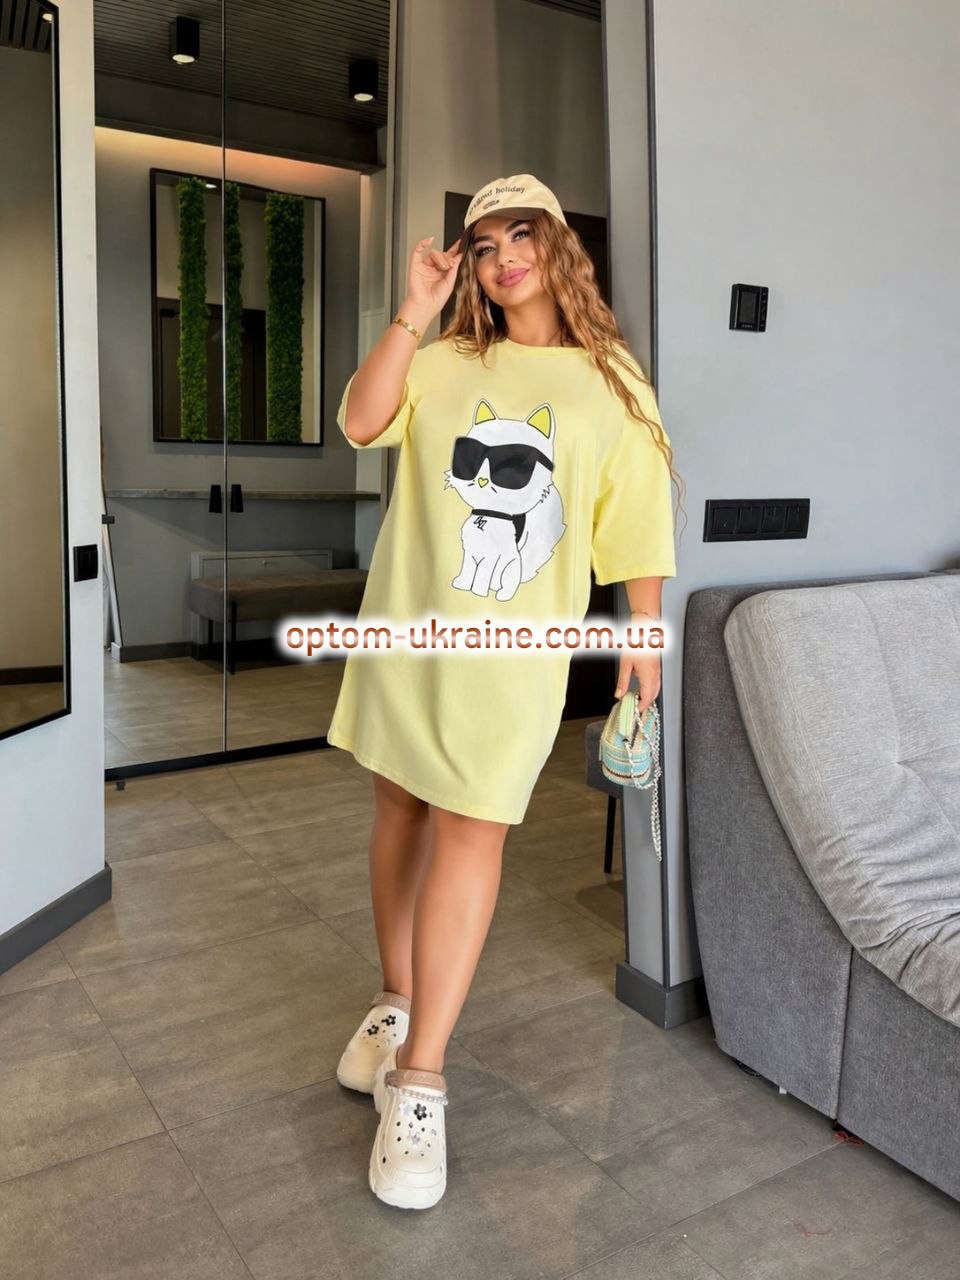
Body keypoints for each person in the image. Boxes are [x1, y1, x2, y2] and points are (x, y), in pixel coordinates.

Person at [328, 174, 684, 1210]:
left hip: (513, 655)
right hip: (408, 634)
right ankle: (395, 1001)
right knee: (400, 809)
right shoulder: (444, 361)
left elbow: (636, 520)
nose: (501, 257)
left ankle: (421, 1081)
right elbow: (361, 420)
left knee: (473, 827)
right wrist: (414, 310)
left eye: (522, 234)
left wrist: (644, 638)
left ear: (559, 246)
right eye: (484, 244)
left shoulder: (612, 382)